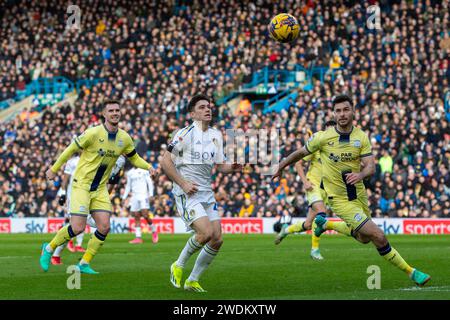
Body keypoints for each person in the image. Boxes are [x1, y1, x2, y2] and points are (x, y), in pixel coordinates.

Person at [272, 94, 431, 287]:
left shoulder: (361, 137)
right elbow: (299, 153)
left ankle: (327, 225)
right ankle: (412, 272)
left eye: (346, 109)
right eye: (338, 111)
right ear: (333, 113)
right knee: (378, 235)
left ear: (353, 111)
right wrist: (281, 165)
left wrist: (360, 175)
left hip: (359, 195)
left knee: (364, 238)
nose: (342, 114)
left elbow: (371, 167)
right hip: (339, 200)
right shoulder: (322, 138)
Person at [40, 99, 156, 274]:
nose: (115, 113)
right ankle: (48, 248)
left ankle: (84, 263)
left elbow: (134, 158)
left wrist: (148, 167)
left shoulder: (124, 138)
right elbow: (70, 149)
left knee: (104, 226)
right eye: (111, 110)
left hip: (100, 188)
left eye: (117, 110)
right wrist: (54, 169)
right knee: (78, 227)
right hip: (82, 185)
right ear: (104, 114)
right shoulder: (92, 133)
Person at [160, 94, 242, 292]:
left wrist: (234, 167)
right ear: (192, 113)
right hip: (186, 192)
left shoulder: (215, 135)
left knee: (217, 239)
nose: (208, 109)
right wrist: (183, 183)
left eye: (209, 107)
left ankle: (192, 280)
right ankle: (178, 265)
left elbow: (220, 166)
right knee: (205, 233)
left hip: (206, 192)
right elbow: (165, 161)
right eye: (202, 107)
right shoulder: (184, 134)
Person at [275, 120, 351, 261]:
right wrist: (305, 181)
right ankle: (314, 250)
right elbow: (298, 162)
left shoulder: (338, 150)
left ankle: (286, 229)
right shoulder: (316, 147)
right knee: (321, 214)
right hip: (313, 185)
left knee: (308, 224)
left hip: (327, 189)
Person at [51, 154, 126, 265]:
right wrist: (62, 193)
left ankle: (74, 250)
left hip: (92, 197)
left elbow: (107, 188)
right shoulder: (73, 162)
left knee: (95, 227)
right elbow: (65, 180)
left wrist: (113, 181)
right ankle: (55, 254)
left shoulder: (100, 161)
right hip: (75, 197)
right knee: (77, 227)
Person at [122, 164, 159, 244]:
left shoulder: (144, 171)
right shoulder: (130, 173)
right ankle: (138, 237)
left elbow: (149, 183)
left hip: (143, 195)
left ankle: (154, 231)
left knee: (145, 215)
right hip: (134, 196)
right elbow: (128, 186)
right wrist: (124, 197)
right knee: (136, 216)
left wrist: (151, 195)